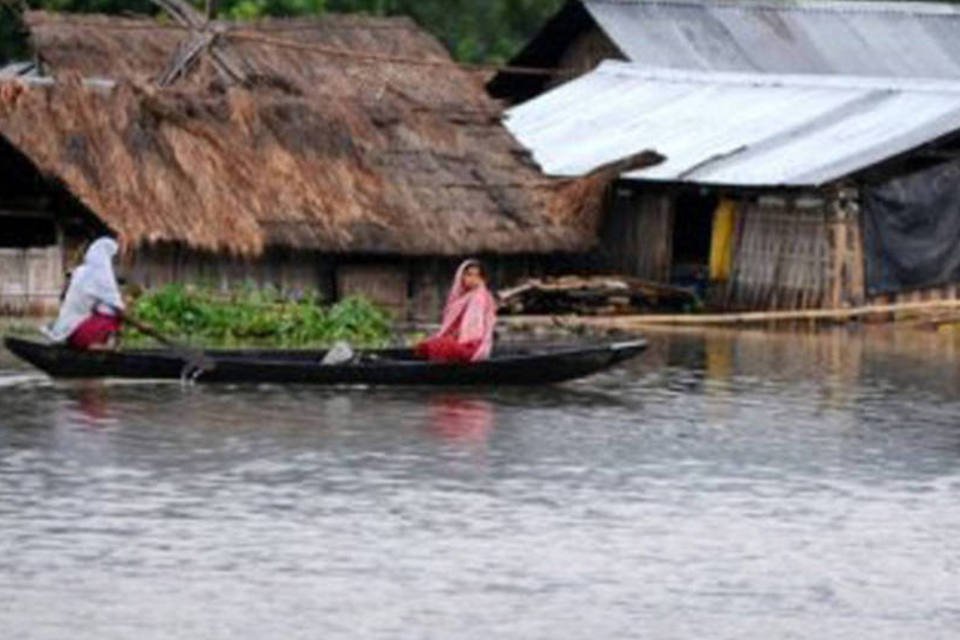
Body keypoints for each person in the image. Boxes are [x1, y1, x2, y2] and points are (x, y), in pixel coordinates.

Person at [44, 237, 125, 350]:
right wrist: (143, 326)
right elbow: (120, 309)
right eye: (113, 258)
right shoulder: (102, 275)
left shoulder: (80, 272)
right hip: (83, 335)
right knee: (114, 317)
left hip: (69, 334)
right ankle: (101, 346)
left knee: (105, 313)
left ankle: (93, 343)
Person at [415, 259, 497, 363]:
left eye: (477, 276)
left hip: (473, 346)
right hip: (457, 341)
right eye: (469, 275)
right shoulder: (459, 299)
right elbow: (452, 327)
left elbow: (482, 327)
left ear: (483, 279)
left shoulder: (482, 297)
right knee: (424, 347)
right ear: (461, 277)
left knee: (444, 346)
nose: (472, 279)